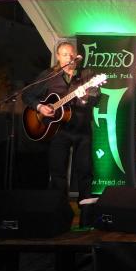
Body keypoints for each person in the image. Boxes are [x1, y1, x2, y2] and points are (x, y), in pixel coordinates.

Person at [22, 41, 98, 201]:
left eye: (71, 54)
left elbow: (96, 98)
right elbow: (27, 95)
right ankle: (60, 208)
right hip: (58, 130)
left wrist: (84, 99)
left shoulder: (87, 74)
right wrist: (40, 107)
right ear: (58, 57)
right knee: (57, 172)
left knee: (85, 171)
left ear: (76, 55)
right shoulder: (49, 75)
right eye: (65, 55)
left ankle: (86, 211)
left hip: (82, 129)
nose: (69, 57)